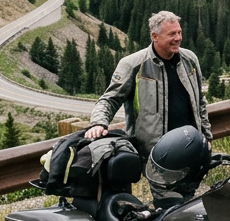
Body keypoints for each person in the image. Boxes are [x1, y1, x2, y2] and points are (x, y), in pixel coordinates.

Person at [87, 11, 212, 208]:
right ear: (154, 36)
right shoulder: (133, 65)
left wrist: (207, 136)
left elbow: (200, 103)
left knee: (189, 204)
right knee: (170, 207)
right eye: (171, 34)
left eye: (179, 33)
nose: (178, 38)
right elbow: (109, 99)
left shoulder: (189, 60)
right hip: (158, 156)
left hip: (191, 150)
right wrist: (98, 123)